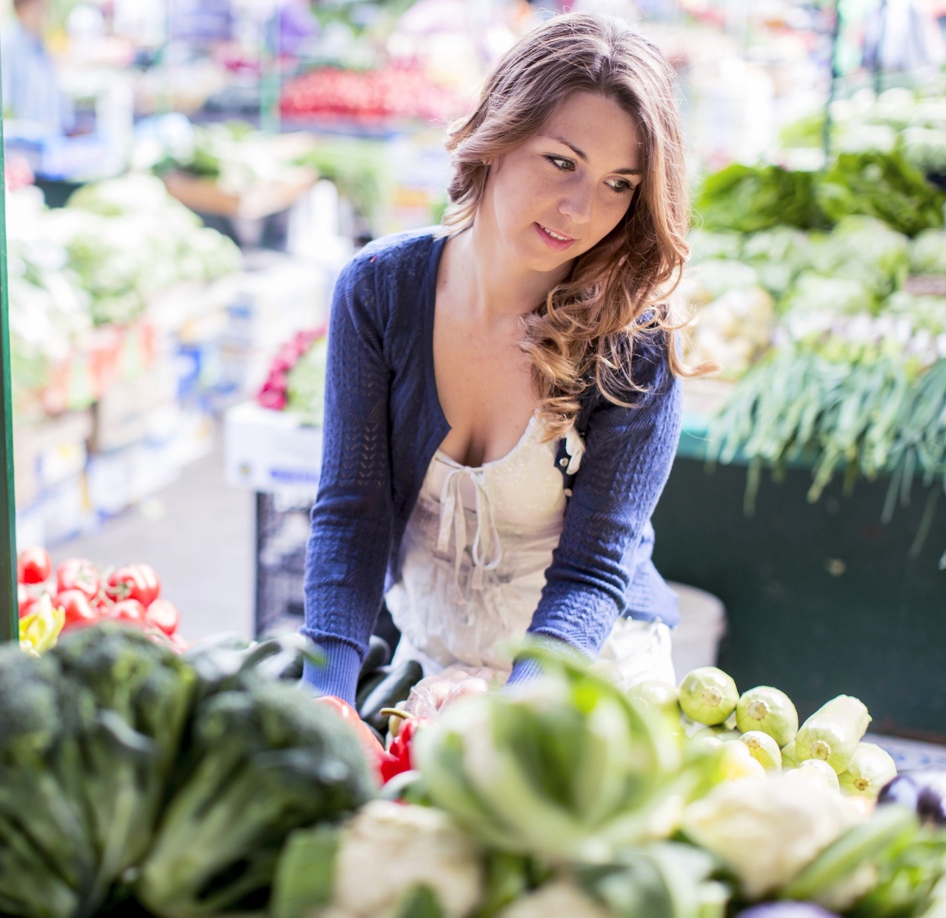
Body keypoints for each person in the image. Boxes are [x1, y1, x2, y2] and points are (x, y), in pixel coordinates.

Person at [301, 13, 702, 707]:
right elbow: (351, 516)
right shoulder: (380, 291)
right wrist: (325, 698)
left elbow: (591, 573)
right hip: (434, 669)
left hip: (584, 683)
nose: (580, 208)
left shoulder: (633, 344)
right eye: (561, 161)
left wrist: (516, 713)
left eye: (618, 184)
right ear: (497, 136)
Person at [2, 0, 74, 138]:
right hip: (24, 143)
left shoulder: (42, 43)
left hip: (50, 138)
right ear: (20, 10)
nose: (41, 11)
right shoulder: (9, 46)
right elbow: (4, 104)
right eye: (36, 6)